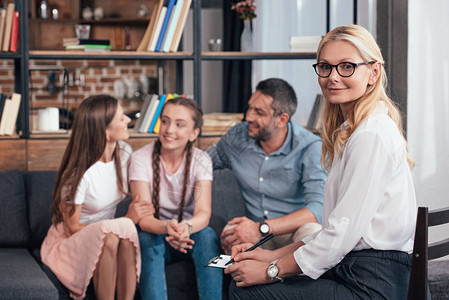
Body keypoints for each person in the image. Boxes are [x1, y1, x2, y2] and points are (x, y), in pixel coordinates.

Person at [225, 24, 417, 300]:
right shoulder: (354, 131)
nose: (333, 77)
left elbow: (339, 237)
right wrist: (267, 255)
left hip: (372, 282)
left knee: (248, 292)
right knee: (245, 281)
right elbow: (332, 231)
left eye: (347, 66)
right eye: (325, 67)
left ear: (374, 72)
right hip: (354, 268)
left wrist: (271, 270)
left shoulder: (371, 135)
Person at [41, 95, 153, 300]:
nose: (128, 120)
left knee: (122, 234)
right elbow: (71, 228)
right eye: (121, 118)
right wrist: (127, 220)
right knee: (113, 234)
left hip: (108, 233)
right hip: (70, 242)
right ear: (105, 132)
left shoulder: (124, 154)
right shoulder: (79, 174)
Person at [207, 78, 326, 253]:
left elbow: (317, 209)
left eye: (259, 112)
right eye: (249, 108)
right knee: (231, 233)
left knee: (314, 233)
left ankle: (293, 277)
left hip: (293, 232)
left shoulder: (310, 147)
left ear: (281, 119)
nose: (248, 117)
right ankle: (257, 276)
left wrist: (262, 227)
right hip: (258, 235)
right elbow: (201, 164)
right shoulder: (237, 138)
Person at [129, 97, 222, 300]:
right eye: (165, 121)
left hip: (189, 234)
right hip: (158, 232)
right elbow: (143, 219)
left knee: (207, 235)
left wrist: (184, 229)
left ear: (194, 133)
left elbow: (203, 213)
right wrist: (167, 228)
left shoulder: (202, 160)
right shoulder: (139, 159)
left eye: (179, 124)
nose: (169, 130)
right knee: (145, 238)